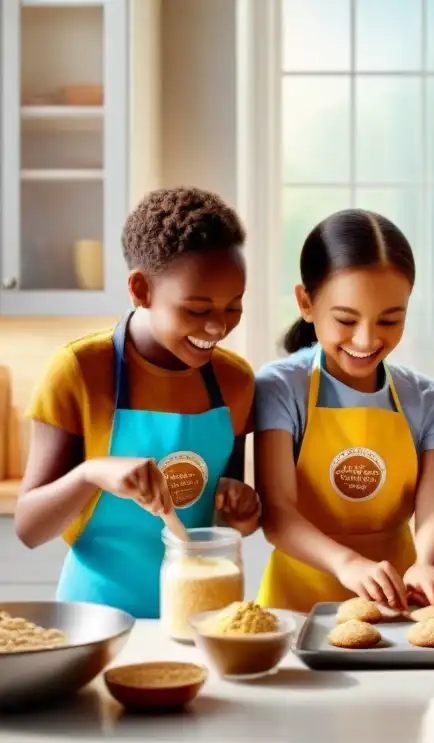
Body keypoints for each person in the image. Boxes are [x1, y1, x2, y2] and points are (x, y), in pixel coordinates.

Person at [15, 187, 261, 618]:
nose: (218, 326)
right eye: (196, 308)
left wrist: (243, 511)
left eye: (233, 307)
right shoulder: (79, 371)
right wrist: (92, 473)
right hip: (96, 614)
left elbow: (227, 520)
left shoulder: (235, 381)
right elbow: (30, 529)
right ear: (141, 289)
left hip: (203, 612)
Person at [254, 209, 434, 613]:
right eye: (346, 319)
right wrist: (346, 563)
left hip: (398, 606)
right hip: (295, 608)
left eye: (390, 320)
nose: (367, 339)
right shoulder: (281, 387)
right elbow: (277, 513)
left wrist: (426, 565)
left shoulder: (427, 399)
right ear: (306, 303)